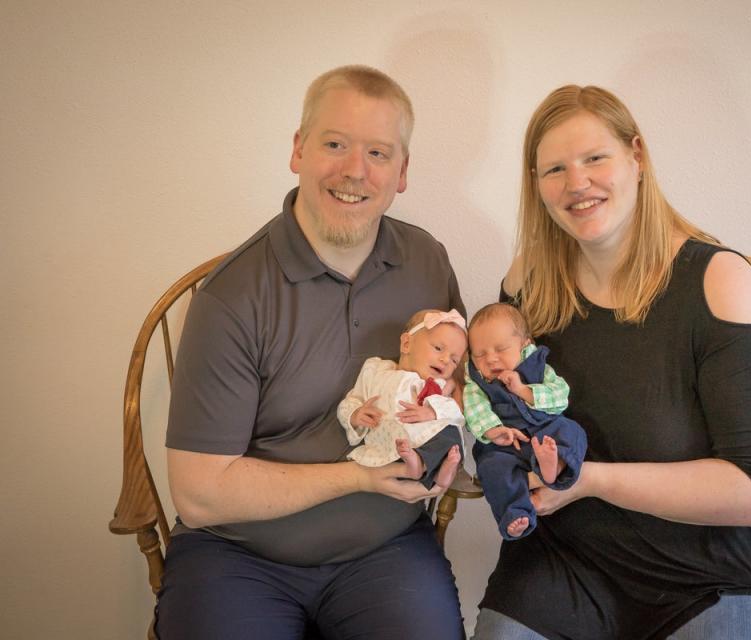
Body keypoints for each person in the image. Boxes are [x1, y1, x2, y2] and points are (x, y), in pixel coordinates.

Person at [471, 85, 751, 640]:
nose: (577, 183)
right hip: (569, 560)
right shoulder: (530, 282)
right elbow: (495, 405)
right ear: (536, 186)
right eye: (554, 169)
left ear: (637, 157)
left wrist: (592, 480)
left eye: (594, 158)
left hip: (712, 568)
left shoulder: (716, 280)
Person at [158, 65, 466, 640]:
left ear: (402, 173)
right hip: (238, 556)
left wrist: (448, 440)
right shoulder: (231, 296)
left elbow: (453, 383)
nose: (355, 170)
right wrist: (356, 478)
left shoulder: (426, 262)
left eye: (378, 152)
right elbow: (198, 494)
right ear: (298, 150)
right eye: (334, 144)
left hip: (386, 549)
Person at [463, 302, 586, 539]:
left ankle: (554, 465)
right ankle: (515, 513)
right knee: (492, 468)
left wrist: (522, 390)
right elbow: (474, 410)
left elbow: (560, 396)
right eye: (480, 354)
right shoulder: (476, 382)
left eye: (501, 349)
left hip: (545, 430)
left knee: (572, 431)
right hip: (506, 444)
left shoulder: (538, 367)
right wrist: (494, 430)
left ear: (524, 345)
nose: (491, 359)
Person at [338, 308, 467, 489]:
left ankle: (442, 471)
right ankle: (413, 464)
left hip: (424, 437)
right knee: (415, 445)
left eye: (454, 360)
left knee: (451, 434)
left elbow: (454, 410)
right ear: (406, 344)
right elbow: (351, 400)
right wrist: (355, 414)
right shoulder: (375, 370)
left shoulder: (437, 385)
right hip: (389, 437)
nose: (446, 360)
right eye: (438, 348)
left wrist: (432, 412)